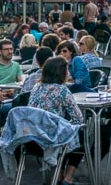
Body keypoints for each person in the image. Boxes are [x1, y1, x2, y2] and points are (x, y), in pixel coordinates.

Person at [28, 56, 85, 185]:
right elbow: (78, 118)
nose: (69, 73)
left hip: (33, 138)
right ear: (61, 72)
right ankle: (68, 178)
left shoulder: (36, 87)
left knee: (65, 131)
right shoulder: (62, 90)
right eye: (67, 70)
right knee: (81, 135)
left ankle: (58, 175)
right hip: (52, 140)